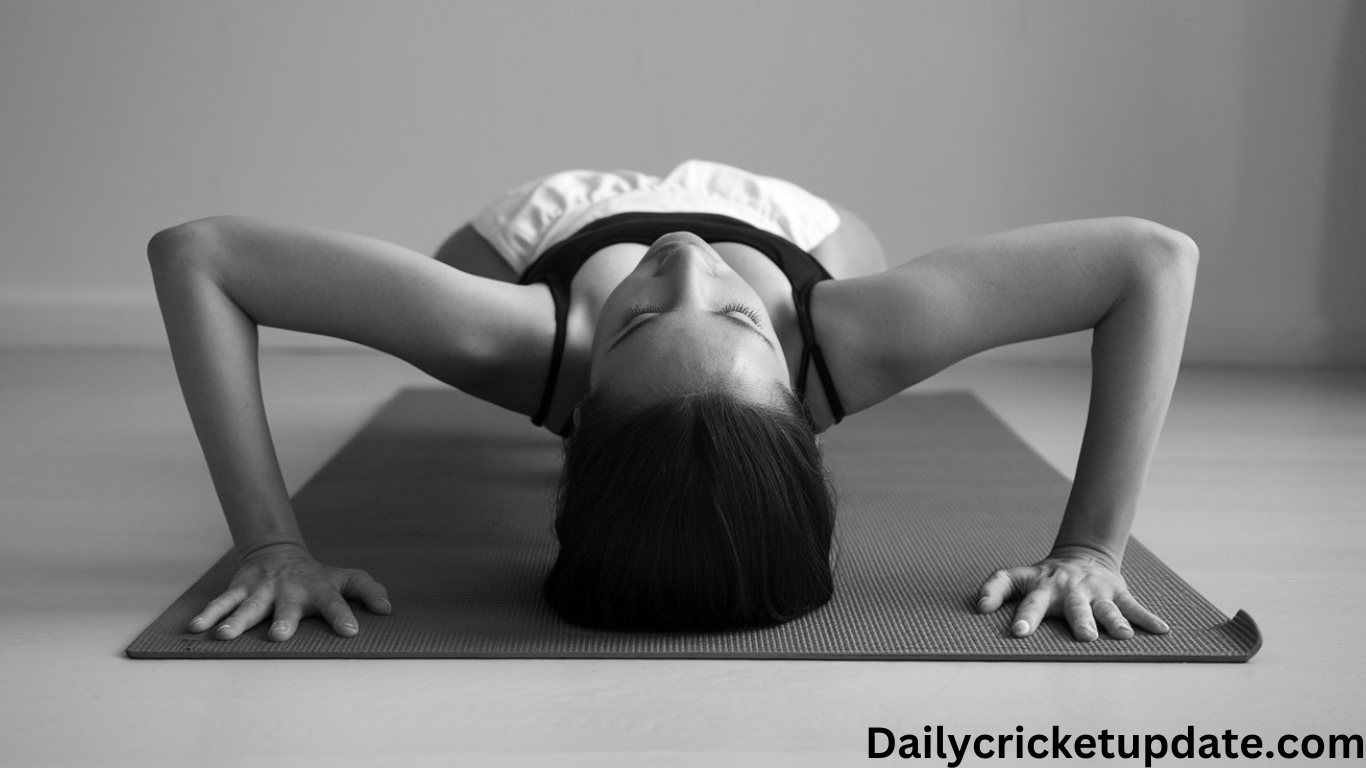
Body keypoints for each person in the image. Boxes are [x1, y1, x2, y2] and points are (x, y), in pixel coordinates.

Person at [147, 159, 1195, 642]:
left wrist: (272, 547)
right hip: (784, 217)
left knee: (451, 284)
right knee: (863, 259)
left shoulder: (514, 341)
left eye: (643, 324)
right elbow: (1150, 259)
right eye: (734, 323)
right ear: (794, 397)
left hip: (561, 224)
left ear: (582, 407)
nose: (681, 257)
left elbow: (201, 253)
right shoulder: (854, 339)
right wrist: (1091, 551)